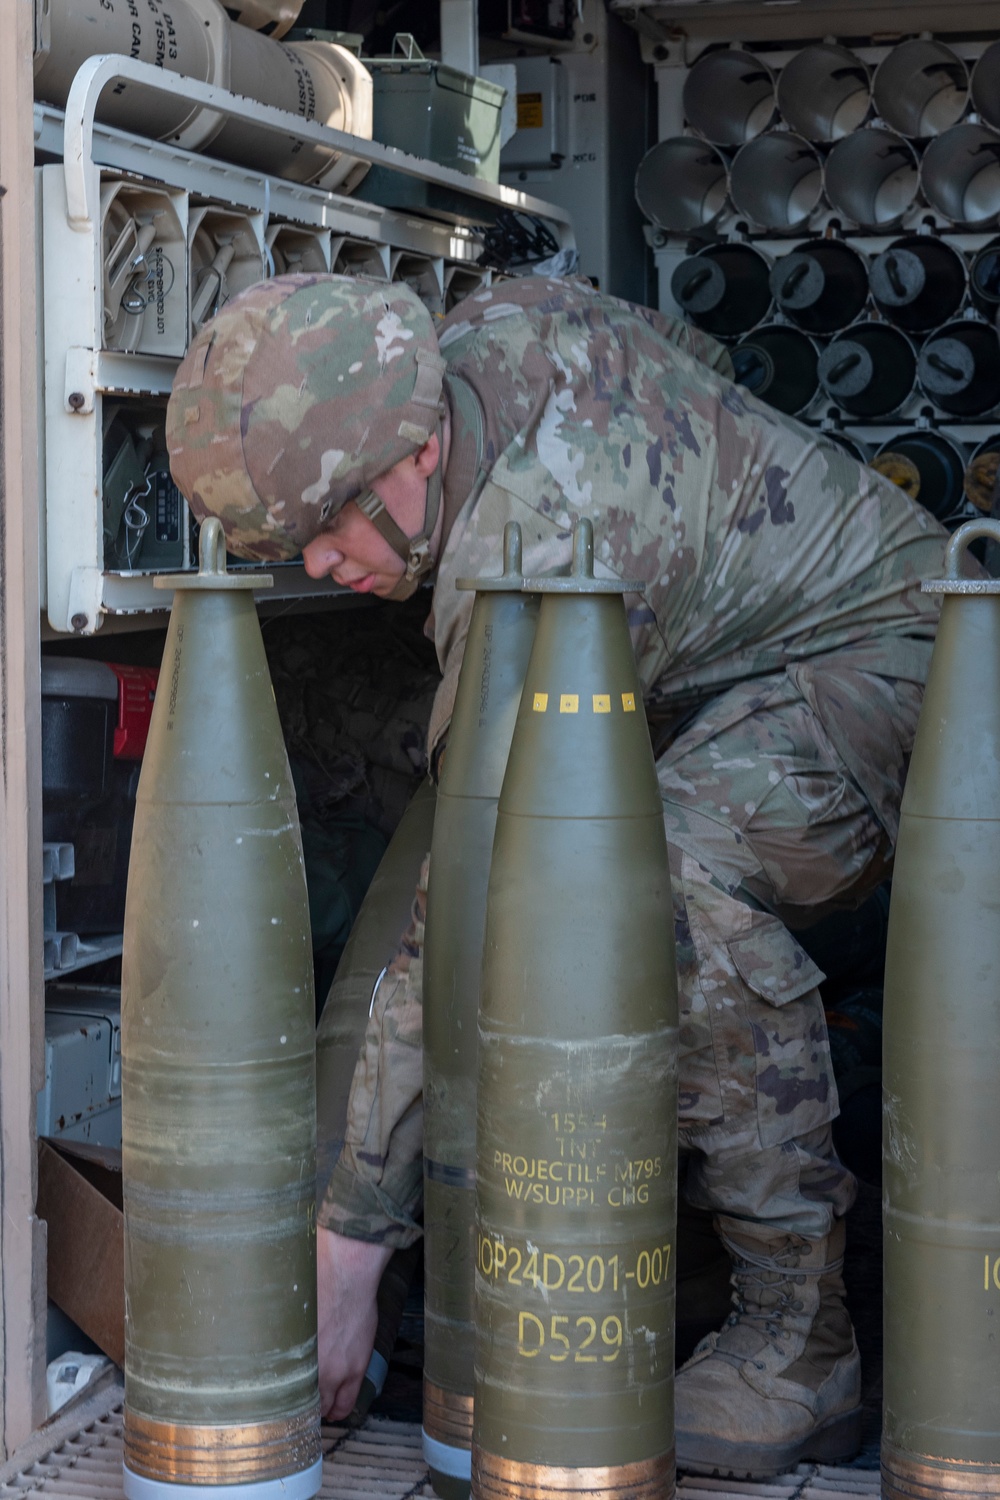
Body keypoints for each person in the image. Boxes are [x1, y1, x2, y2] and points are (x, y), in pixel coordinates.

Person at [166, 271, 947, 1479]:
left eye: (328, 527)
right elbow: (685, 348)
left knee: (658, 883)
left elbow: (473, 901)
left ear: (417, 453)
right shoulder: (486, 327)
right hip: (740, 656)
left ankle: (801, 1336)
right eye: (285, 545)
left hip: (888, 672)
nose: (314, 564)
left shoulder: (532, 554)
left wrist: (350, 1249)